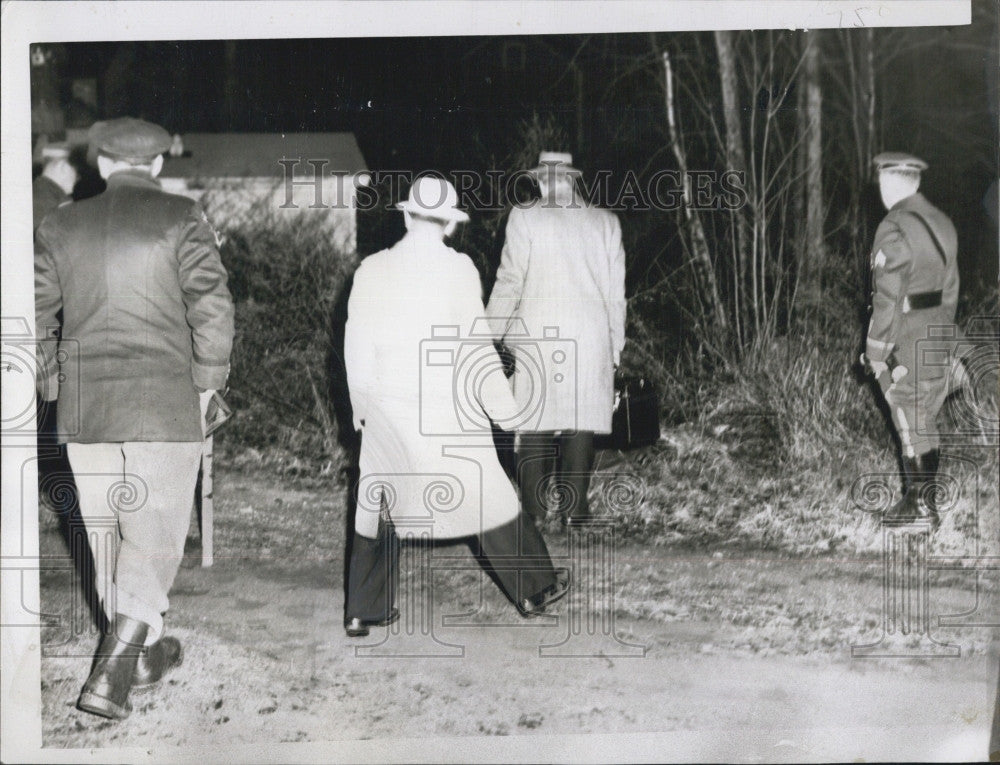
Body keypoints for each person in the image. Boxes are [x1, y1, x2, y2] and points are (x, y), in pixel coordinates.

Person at [35, 117, 235, 719]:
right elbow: (214, 311)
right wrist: (207, 385)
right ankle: (110, 679)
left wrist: (53, 387)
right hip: (162, 405)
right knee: (151, 539)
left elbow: (35, 318)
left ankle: (141, 658)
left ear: (98, 164)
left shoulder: (59, 224)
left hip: (83, 409)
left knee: (104, 539)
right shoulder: (183, 218)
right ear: (155, 165)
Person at [343, 176, 567, 637]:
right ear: (448, 224)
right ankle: (535, 588)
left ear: (406, 216)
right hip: (446, 411)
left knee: (378, 499)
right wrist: (506, 410)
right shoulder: (460, 269)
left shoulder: (370, 269)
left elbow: (356, 347)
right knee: (486, 489)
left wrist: (360, 406)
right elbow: (476, 349)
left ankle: (362, 611)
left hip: (388, 406)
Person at [486, 152, 626, 526]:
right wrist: (615, 347)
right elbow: (616, 296)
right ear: (572, 180)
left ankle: (531, 515)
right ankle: (576, 513)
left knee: (534, 422)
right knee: (580, 423)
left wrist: (489, 334)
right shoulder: (606, 222)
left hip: (539, 337)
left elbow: (510, 281)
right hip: (589, 339)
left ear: (543, 181)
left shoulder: (525, 216)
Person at [863, 151, 959, 529]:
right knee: (925, 415)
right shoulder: (943, 222)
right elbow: (951, 288)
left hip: (906, 333)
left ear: (889, 184)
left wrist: (876, 350)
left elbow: (886, 296)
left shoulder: (894, 227)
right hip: (937, 330)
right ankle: (924, 502)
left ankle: (919, 508)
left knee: (905, 408)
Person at [32, 139, 78, 231]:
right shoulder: (60, 204)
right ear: (63, 166)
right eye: (77, 173)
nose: (77, 179)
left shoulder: (33, 191)